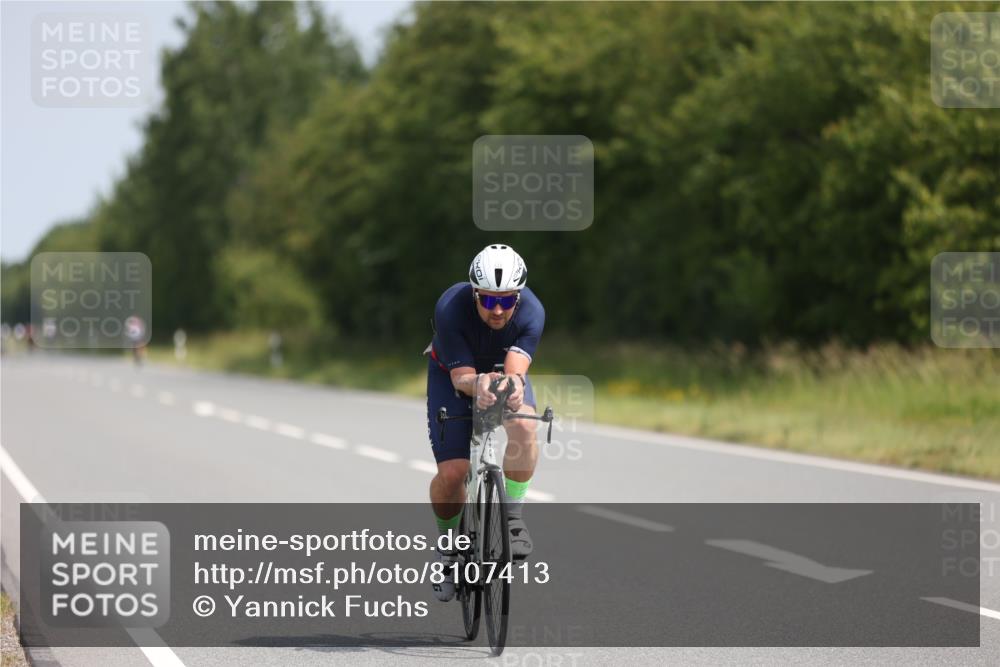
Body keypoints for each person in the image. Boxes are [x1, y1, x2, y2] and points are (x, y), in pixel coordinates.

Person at [425, 244, 544, 602]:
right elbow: (462, 377)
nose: (497, 310)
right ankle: (448, 548)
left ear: (518, 298)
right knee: (453, 473)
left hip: (498, 370)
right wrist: (477, 384)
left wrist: (515, 387)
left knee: (524, 426)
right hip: (452, 375)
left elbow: (515, 370)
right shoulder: (451, 307)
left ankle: (513, 516)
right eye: (488, 300)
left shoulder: (533, 311)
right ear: (474, 293)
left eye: (506, 301)